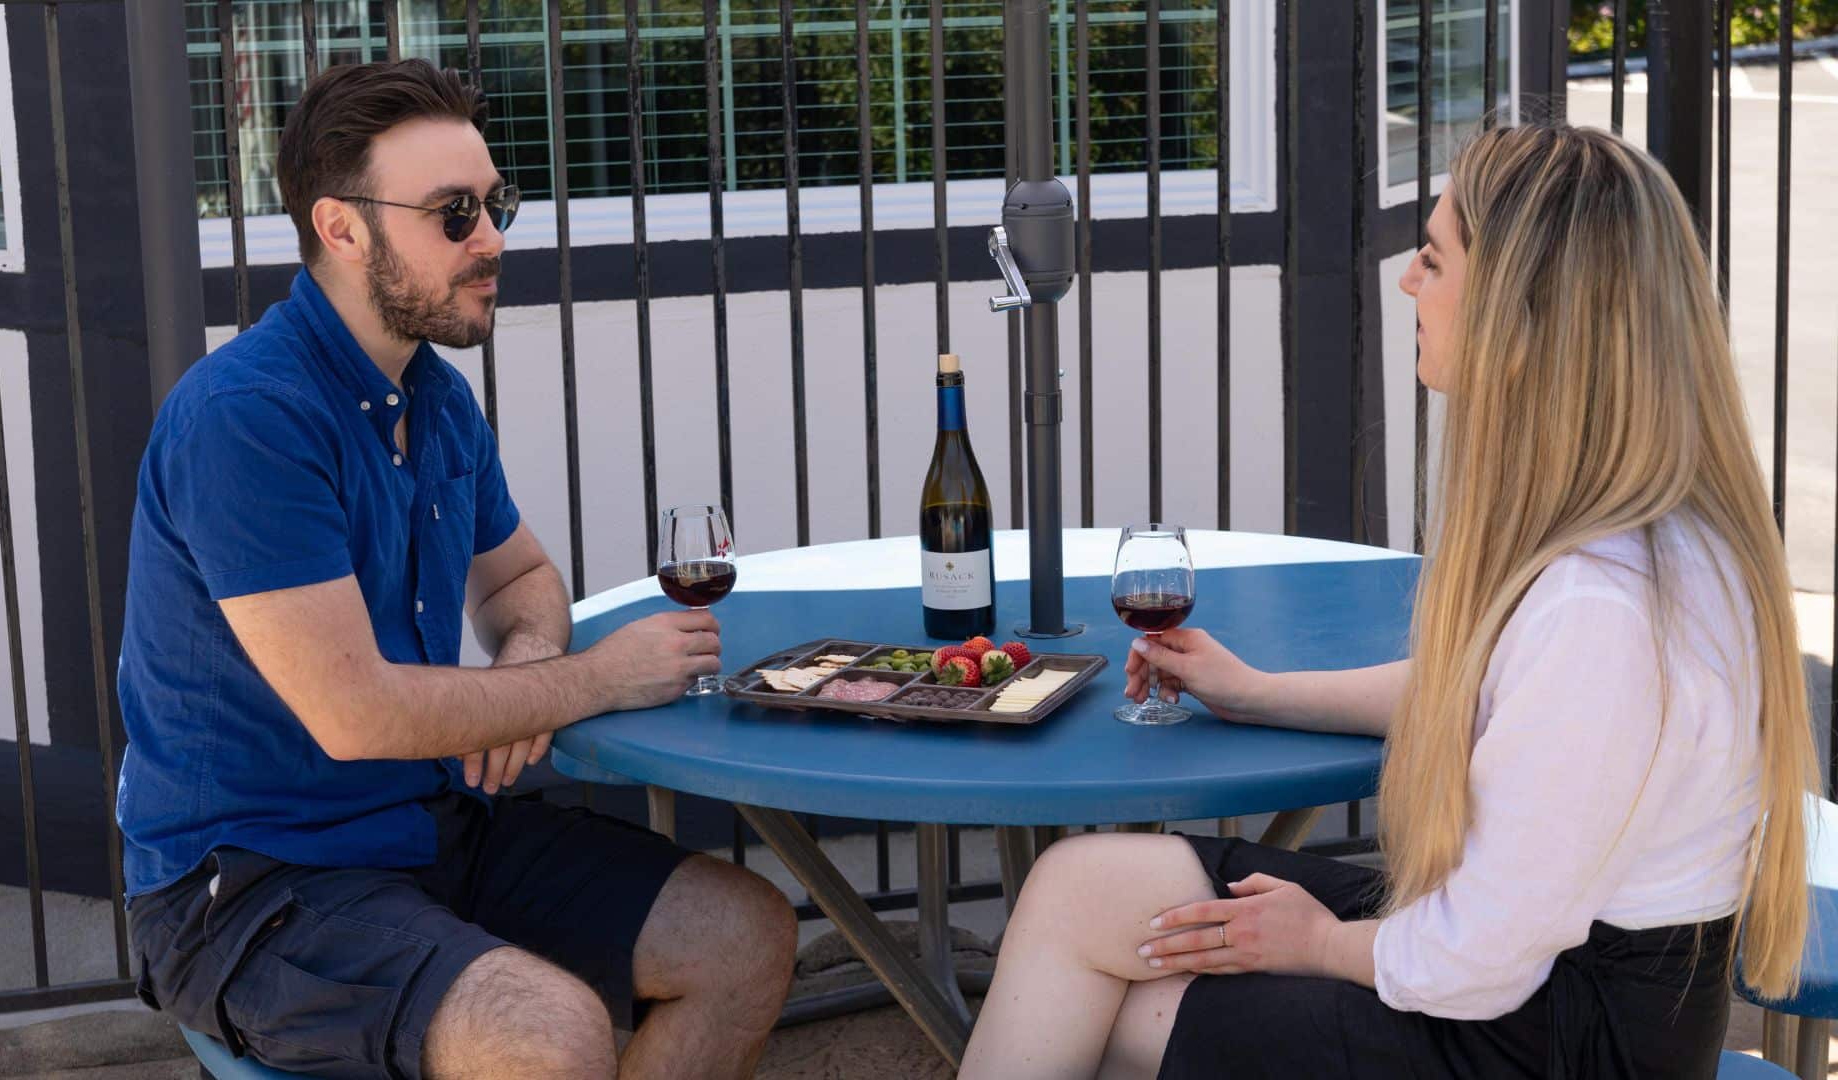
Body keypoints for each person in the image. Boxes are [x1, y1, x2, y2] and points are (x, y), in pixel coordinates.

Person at [957, 124, 1819, 1079]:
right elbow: (1491, 698)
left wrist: (1318, 945)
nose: (1409, 279)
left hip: (1565, 1038)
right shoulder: (1638, 537)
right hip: (1536, 970)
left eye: (1437, 259)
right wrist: (1257, 692)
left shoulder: (1603, 606)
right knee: (1083, 888)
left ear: (1521, 313)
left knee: (1135, 1002)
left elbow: (1477, 957)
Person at [118, 60, 796, 1080]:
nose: (492, 239)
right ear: (342, 228)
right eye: (454, 213)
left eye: (495, 204)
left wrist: (525, 671)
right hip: (254, 886)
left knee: (744, 937)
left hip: (430, 828)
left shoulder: (431, 397)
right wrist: (594, 678)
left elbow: (522, 579)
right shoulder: (248, 421)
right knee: (551, 1032)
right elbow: (356, 716)